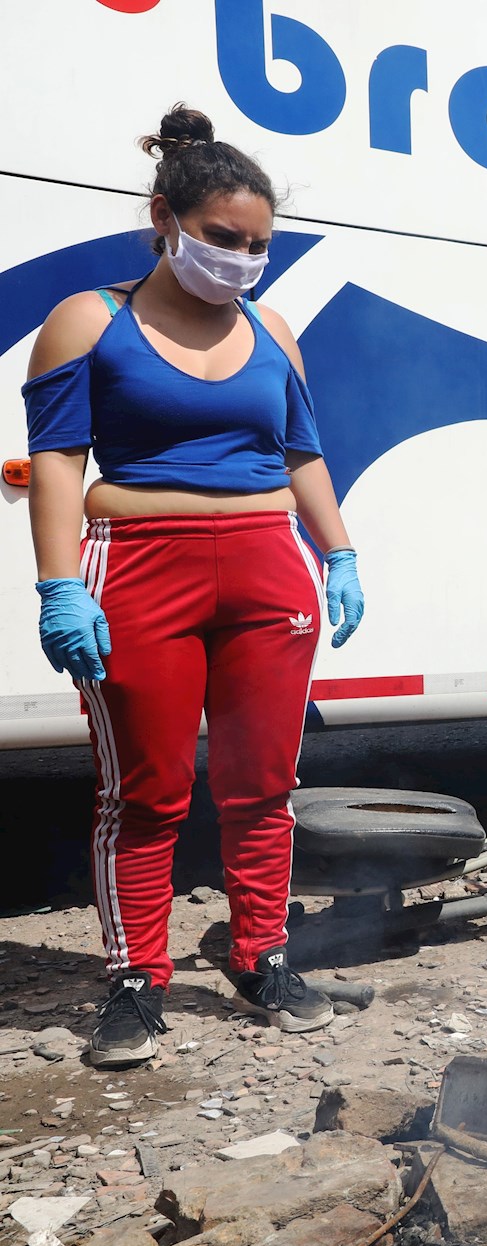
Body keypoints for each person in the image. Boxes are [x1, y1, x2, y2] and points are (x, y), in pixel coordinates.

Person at [21, 105, 364, 1068]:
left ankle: (262, 956)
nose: (243, 258)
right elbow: (55, 461)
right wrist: (58, 584)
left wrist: (338, 553)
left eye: (259, 244)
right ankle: (137, 978)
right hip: (137, 563)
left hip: (266, 566)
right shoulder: (89, 320)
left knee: (264, 784)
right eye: (224, 238)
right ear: (166, 219)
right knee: (146, 789)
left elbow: (303, 454)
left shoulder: (272, 329)